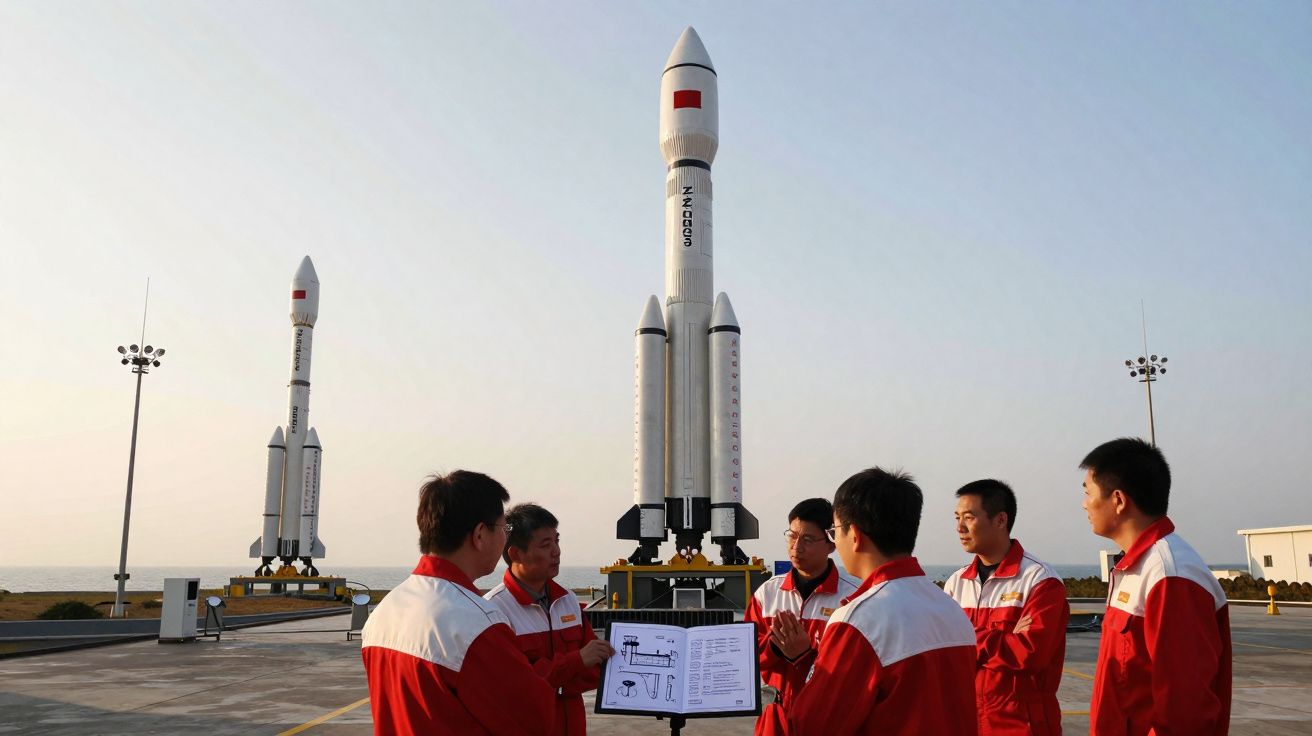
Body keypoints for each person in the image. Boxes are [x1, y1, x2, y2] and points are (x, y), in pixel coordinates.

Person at [361, 470, 556, 735]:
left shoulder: (384, 611)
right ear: (479, 535)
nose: (505, 537)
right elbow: (535, 718)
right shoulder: (477, 623)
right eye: (503, 528)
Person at [788, 468, 978, 736]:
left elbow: (813, 724)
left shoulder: (859, 620)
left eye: (834, 530)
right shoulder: (951, 609)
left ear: (854, 535)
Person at [1081, 438, 1231, 735]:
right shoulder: (1137, 568)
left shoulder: (1170, 576)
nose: (1084, 503)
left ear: (1119, 500)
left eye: (1088, 492)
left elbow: (1184, 712)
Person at [943, 479, 1069, 735]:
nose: (959, 528)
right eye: (957, 518)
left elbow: (1030, 654)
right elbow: (945, 654)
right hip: (966, 721)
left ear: (1000, 520)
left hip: (1022, 725)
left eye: (969, 517)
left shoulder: (1040, 580)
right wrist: (1006, 639)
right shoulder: (956, 583)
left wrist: (965, 636)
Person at [484, 503, 614, 735]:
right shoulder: (495, 610)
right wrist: (574, 664)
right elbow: (515, 685)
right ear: (515, 553)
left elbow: (594, 669)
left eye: (557, 541)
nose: (556, 551)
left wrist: (554, 679)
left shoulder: (568, 601)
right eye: (546, 544)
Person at [744, 498, 858, 736]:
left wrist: (806, 656)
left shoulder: (851, 598)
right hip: (776, 717)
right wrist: (775, 648)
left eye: (807, 539)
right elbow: (745, 658)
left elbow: (853, 673)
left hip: (827, 719)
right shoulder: (768, 593)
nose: (796, 548)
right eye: (792, 536)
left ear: (831, 543)